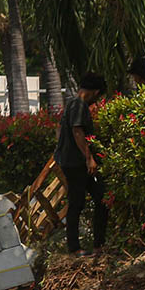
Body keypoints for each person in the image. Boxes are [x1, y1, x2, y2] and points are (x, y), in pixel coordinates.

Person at [55, 72, 108, 256]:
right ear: (95, 92)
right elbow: (78, 132)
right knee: (88, 201)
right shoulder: (79, 105)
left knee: (94, 200)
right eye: (98, 96)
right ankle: (78, 247)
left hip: (71, 161)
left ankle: (93, 245)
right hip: (77, 164)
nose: (96, 101)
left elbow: (60, 130)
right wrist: (89, 158)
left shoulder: (71, 103)